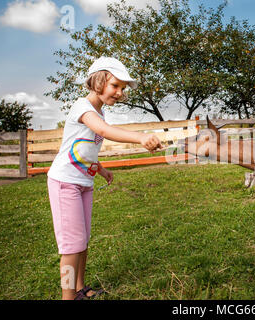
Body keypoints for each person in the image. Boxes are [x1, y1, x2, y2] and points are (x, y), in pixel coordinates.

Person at [47, 57, 162, 300]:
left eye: (122, 88)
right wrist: (140, 137)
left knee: (83, 241)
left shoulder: (98, 112)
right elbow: (101, 131)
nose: (120, 93)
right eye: (115, 86)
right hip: (64, 182)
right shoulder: (82, 107)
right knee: (71, 247)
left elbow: (85, 149)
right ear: (99, 81)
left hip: (84, 183)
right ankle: (68, 298)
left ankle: (79, 289)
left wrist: (102, 170)